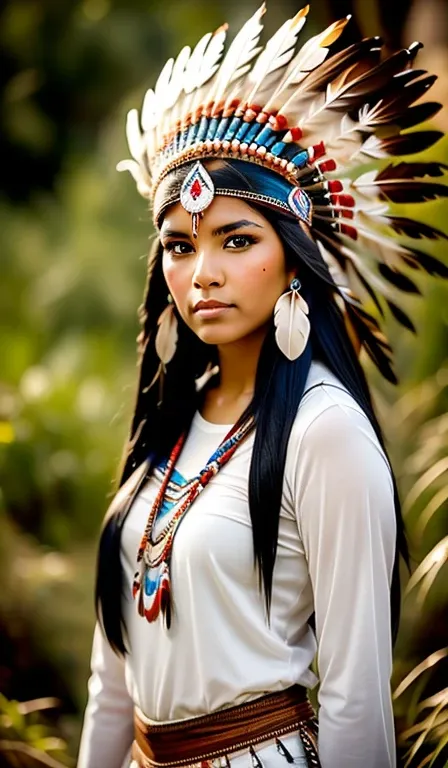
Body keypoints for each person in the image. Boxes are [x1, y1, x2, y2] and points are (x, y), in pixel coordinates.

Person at [77, 5, 447, 768]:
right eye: (179, 246)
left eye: (236, 240)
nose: (201, 272)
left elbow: (354, 697)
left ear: (292, 260)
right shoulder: (165, 428)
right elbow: (109, 689)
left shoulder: (324, 432)